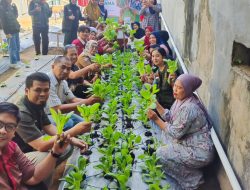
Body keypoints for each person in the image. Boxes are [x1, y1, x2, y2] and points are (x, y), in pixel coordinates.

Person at [147, 74, 214, 190]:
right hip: (188, 142)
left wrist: (156, 119)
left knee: (160, 155)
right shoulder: (182, 100)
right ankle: (190, 168)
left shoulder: (189, 108)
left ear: (187, 89)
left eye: (179, 87)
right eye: (175, 86)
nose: (175, 89)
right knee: (164, 135)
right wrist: (156, 104)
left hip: (199, 151)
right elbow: (170, 117)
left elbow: (175, 133)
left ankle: (194, 180)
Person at [14, 72, 90, 155]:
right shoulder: (21, 112)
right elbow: (41, 146)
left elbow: (48, 126)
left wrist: (72, 139)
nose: (43, 94)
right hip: (18, 156)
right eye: (38, 90)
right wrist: (74, 131)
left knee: (67, 146)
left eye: (46, 90)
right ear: (26, 91)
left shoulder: (36, 102)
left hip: (32, 145)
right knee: (59, 152)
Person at [0, 102, 70, 189]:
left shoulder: (12, 147)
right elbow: (40, 145)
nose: (3, 130)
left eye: (10, 126)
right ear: (27, 91)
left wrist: (55, 152)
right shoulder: (24, 110)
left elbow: (32, 178)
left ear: (14, 132)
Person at [46, 56, 100, 130]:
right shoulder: (47, 82)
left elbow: (73, 99)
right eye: (63, 67)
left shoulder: (63, 82)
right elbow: (56, 108)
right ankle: (63, 139)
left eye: (68, 69)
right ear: (53, 66)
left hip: (58, 113)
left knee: (86, 124)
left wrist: (92, 100)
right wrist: (87, 102)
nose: (65, 71)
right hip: (46, 115)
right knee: (69, 123)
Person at [0, 0, 22, 69]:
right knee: (13, 47)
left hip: (15, 29)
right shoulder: (2, 7)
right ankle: (13, 63)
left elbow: (15, 16)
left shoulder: (10, 6)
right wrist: (6, 33)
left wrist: (15, 9)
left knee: (17, 46)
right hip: (9, 31)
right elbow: (2, 21)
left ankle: (18, 60)